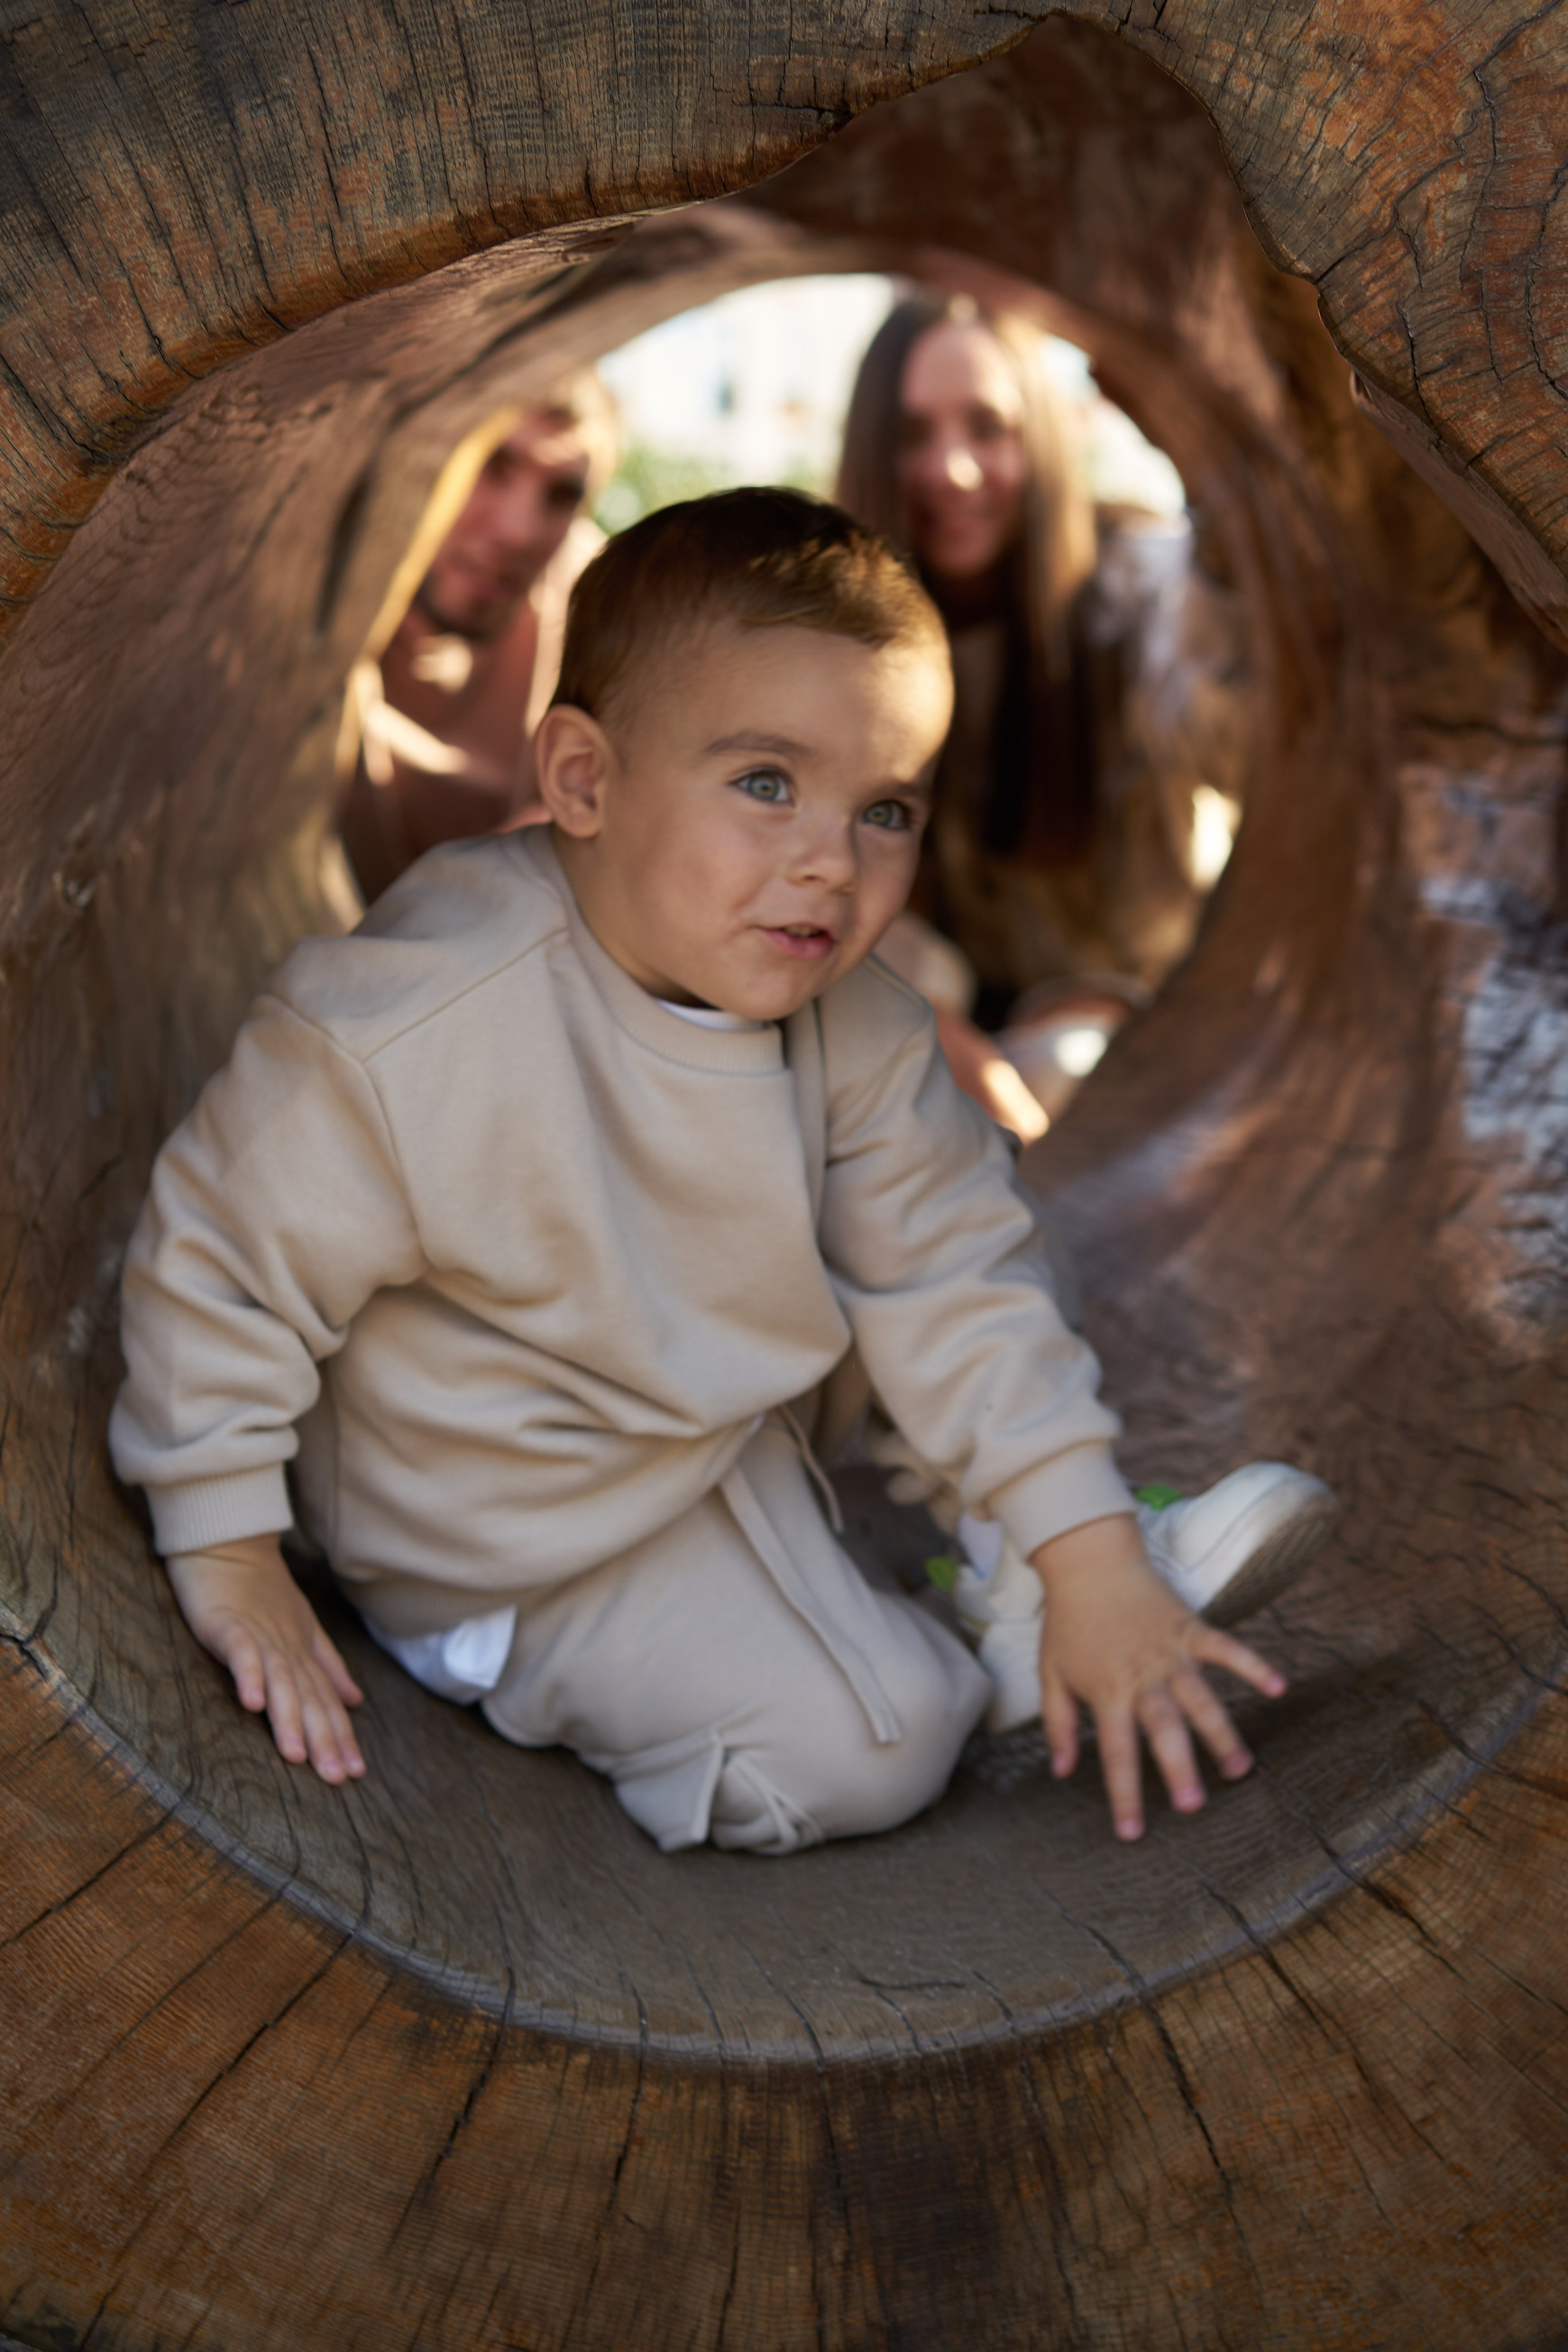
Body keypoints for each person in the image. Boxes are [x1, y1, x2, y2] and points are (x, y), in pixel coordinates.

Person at [110, 490, 1335, 1858]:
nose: (830, 859)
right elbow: (221, 1258)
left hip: (711, 1402)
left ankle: (1027, 1575)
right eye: (765, 783)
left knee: (974, 1220)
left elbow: (949, 1281)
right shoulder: (418, 1022)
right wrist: (223, 1545)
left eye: (884, 808)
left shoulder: (851, 1016)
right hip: (513, 1523)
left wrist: (1087, 1546)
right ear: (581, 780)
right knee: (879, 1748)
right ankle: (936, 1648)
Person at [837, 293, 1246, 1032]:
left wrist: (1221, 503)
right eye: (910, 433)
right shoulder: (827, 636)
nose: (952, 470)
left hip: (1140, 1047)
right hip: (930, 1053)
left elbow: (1235, 743)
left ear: (1043, 437)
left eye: (989, 427)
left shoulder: (1141, 593)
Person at [339, 377, 617, 903]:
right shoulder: (309, 597)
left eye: (561, 496)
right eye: (490, 467)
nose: (518, 531)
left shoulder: (597, 609)